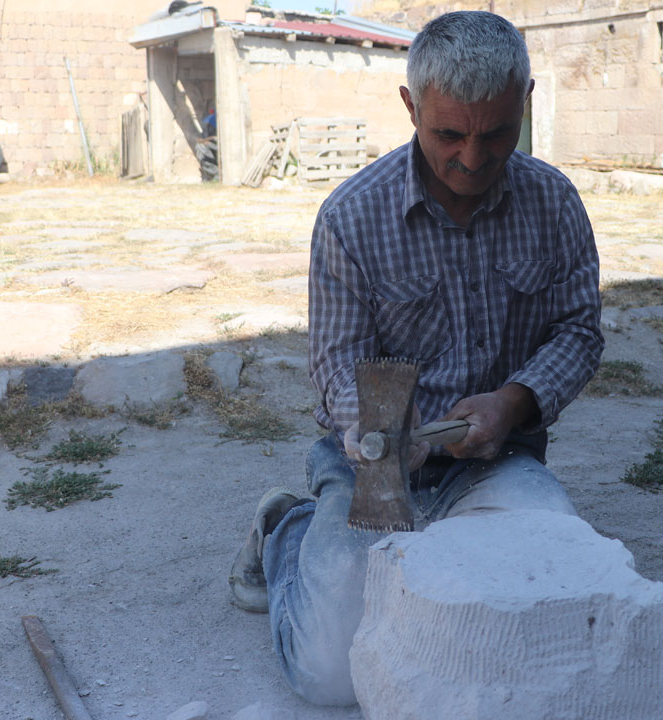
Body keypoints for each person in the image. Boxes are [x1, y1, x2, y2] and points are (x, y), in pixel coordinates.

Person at [226, 10, 604, 706]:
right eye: (448, 134)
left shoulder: (554, 204)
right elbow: (338, 366)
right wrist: (387, 435)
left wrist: (511, 403)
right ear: (410, 106)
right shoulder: (352, 216)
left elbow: (579, 333)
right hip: (373, 466)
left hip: (497, 461)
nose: (471, 158)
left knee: (548, 605)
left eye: (495, 133)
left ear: (526, 99)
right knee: (330, 675)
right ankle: (286, 529)